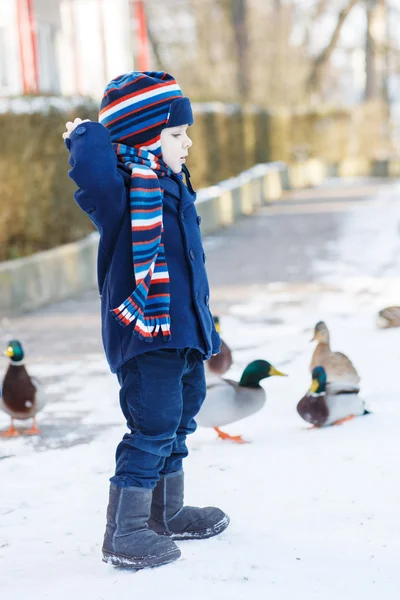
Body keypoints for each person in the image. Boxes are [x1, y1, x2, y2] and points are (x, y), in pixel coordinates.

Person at [63, 71, 229, 570]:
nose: (188, 142)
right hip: (144, 334)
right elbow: (91, 172)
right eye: (177, 134)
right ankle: (126, 531)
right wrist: (87, 135)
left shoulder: (173, 186)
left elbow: (190, 268)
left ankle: (166, 512)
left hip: (182, 332)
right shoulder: (120, 193)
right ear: (142, 137)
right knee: (152, 424)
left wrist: (207, 330)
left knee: (181, 415)